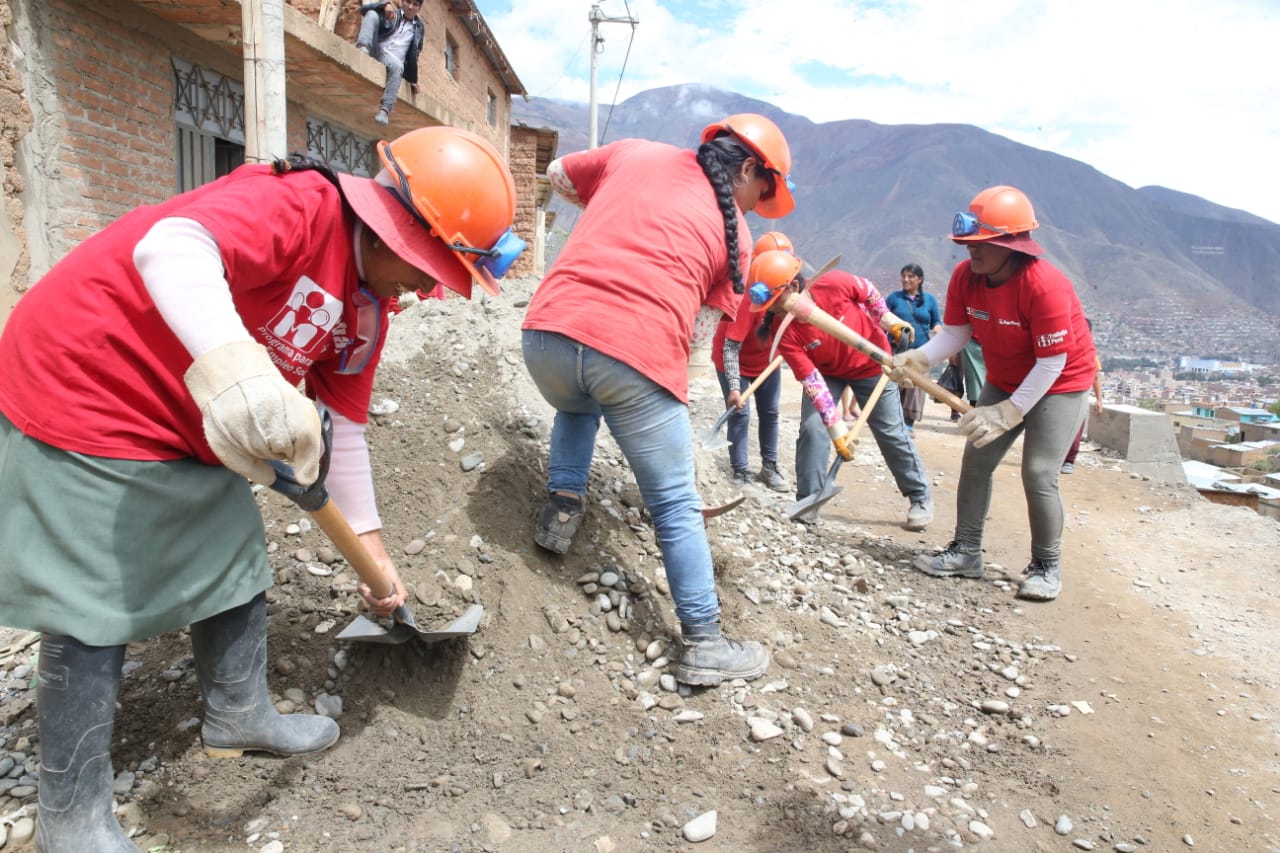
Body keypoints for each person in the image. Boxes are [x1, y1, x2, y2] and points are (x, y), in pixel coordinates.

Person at [0, 125, 524, 851]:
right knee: (91, 598)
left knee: (234, 556)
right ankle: (72, 816)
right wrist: (240, 371)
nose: (427, 286)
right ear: (390, 224)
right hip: (88, 380)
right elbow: (171, 247)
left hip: (193, 418)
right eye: (425, 266)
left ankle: (238, 713)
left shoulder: (370, 305)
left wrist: (375, 561)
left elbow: (346, 424)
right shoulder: (299, 206)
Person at [521, 113, 795, 687]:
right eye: (760, 193)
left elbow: (557, 175)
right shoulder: (736, 237)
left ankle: (562, 508)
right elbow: (695, 337)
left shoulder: (635, 152)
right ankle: (704, 641)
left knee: (577, 405)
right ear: (748, 168)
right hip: (631, 351)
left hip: (545, 335)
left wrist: (613, 209)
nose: (753, 206)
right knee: (673, 500)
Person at [889, 185, 1096, 602]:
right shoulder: (968, 278)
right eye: (968, 243)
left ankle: (1045, 565)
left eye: (981, 244)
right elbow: (957, 334)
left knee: (1038, 473)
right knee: (977, 460)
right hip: (1007, 376)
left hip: (1061, 383)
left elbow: (1053, 362)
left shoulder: (1044, 285)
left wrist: (1008, 412)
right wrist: (920, 359)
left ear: (1012, 244)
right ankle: (966, 551)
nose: (971, 252)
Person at [753, 251, 932, 531]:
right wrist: (837, 432)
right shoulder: (784, 332)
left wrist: (889, 321)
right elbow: (813, 383)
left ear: (794, 287)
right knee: (813, 429)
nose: (774, 312)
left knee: (891, 432)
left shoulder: (834, 283)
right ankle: (808, 502)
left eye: (776, 304)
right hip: (827, 374)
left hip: (872, 364)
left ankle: (919, 497)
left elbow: (870, 295)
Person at [711, 231, 795, 492]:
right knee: (740, 413)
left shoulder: (791, 293)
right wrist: (735, 387)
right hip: (734, 360)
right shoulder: (750, 295)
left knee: (770, 412)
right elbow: (731, 346)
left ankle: (769, 467)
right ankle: (740, 470)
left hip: (767, 361)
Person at [885, 263, 941, 430]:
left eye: (910, 276)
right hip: (898, 348)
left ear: (919, 279)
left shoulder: (929, 300)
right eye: (904, 276)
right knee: (895, 384)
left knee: (915, 386)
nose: (906, 279)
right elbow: (882, 319)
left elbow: (936, 321)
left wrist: (938, 329)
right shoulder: (894, 298)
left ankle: (908, 423)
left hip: (922, 350)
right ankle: (894, 421)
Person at [355, 0, 424, 126]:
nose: (410, 7)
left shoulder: (419, 28)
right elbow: (364, 11)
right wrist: (383, 4)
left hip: (393, 61)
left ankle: (384, 111)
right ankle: (362, 47)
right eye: (408, 2)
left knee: (398, 66)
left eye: (415, 4)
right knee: (372, 14)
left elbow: (415, 54)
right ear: (401, 2)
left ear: (419, 8)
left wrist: (413, 79)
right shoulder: (392, 12)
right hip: (376, 49)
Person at [1062, 320, 1104, 473]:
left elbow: (1095, 377)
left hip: (1078, 395)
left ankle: (1069, 460)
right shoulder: (1063, 347)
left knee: (1075, 429)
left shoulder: (1089, 353)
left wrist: (1099, 400)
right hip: (1059, 394)